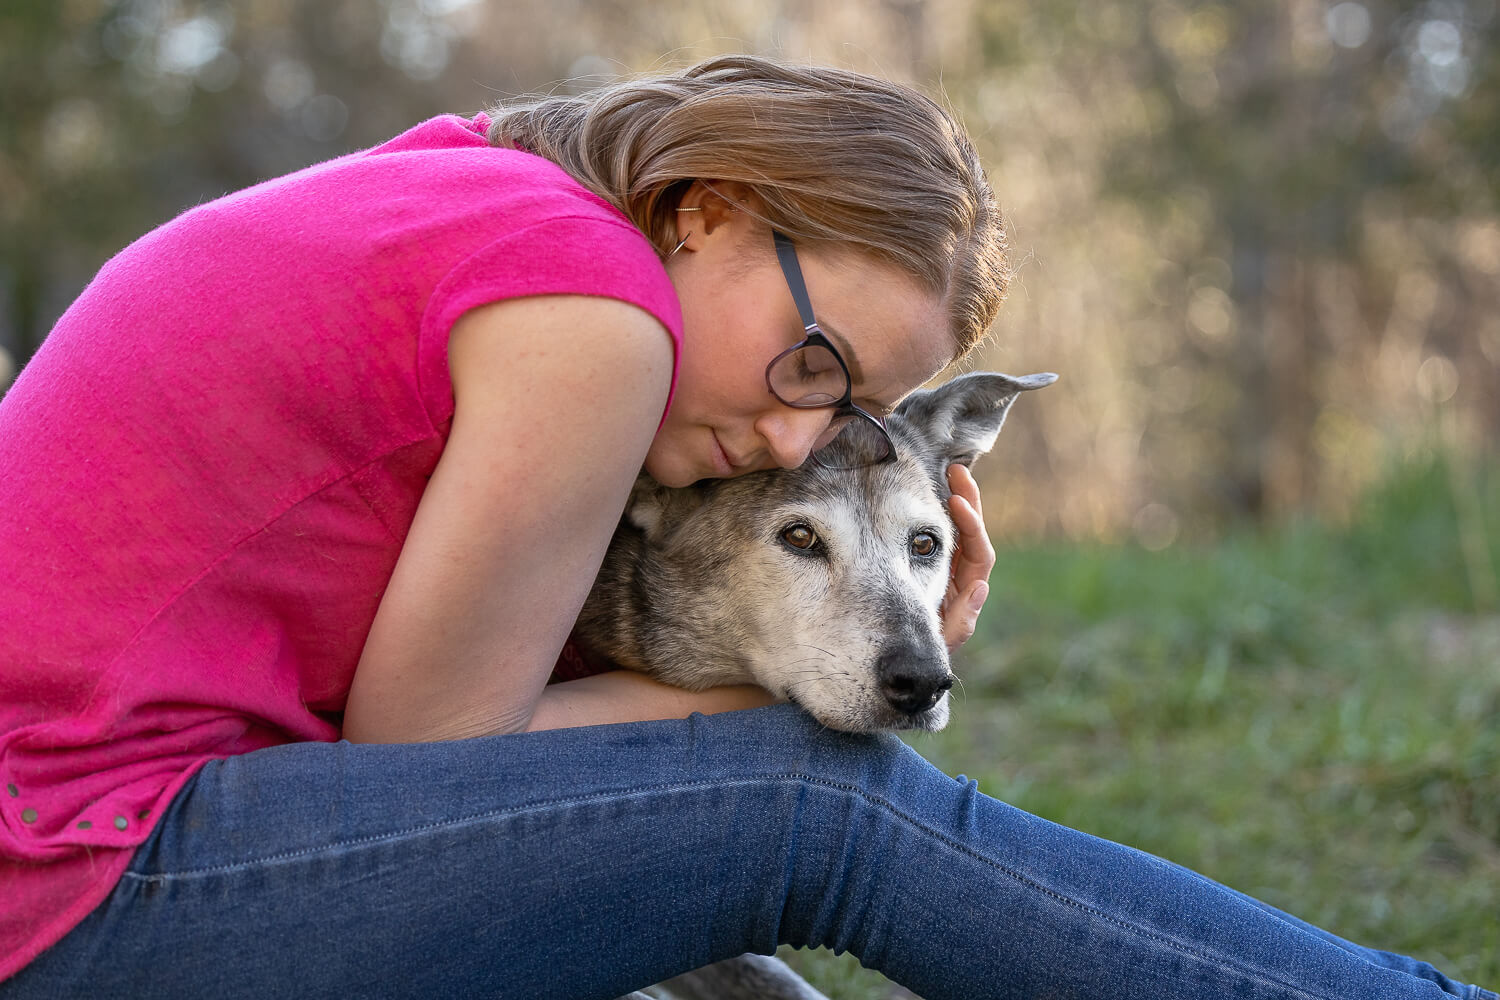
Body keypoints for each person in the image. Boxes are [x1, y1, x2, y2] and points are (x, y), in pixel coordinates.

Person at [0, 54, 1489, 1000]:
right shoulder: (591, 309)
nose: (793, 435)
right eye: (811, 359)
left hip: (95, 837)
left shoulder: (474, 186)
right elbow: (429, 762)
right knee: (813, 801)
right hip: (68, 882)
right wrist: (784, 688)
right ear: (707, 212)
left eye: (846, 410)